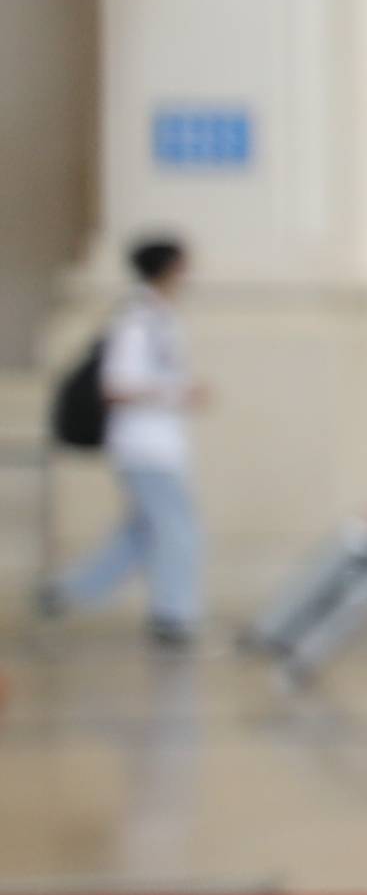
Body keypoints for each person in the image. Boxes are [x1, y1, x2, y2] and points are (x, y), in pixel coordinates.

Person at [45, 234, 200, 646]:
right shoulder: (139, 319)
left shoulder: (159, 317)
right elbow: (116, 386)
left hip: (158, 446)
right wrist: (176, 394)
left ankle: (66, 592)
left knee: (141, 534)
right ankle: (173, 617)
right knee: (177, 529)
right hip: (143, 446)